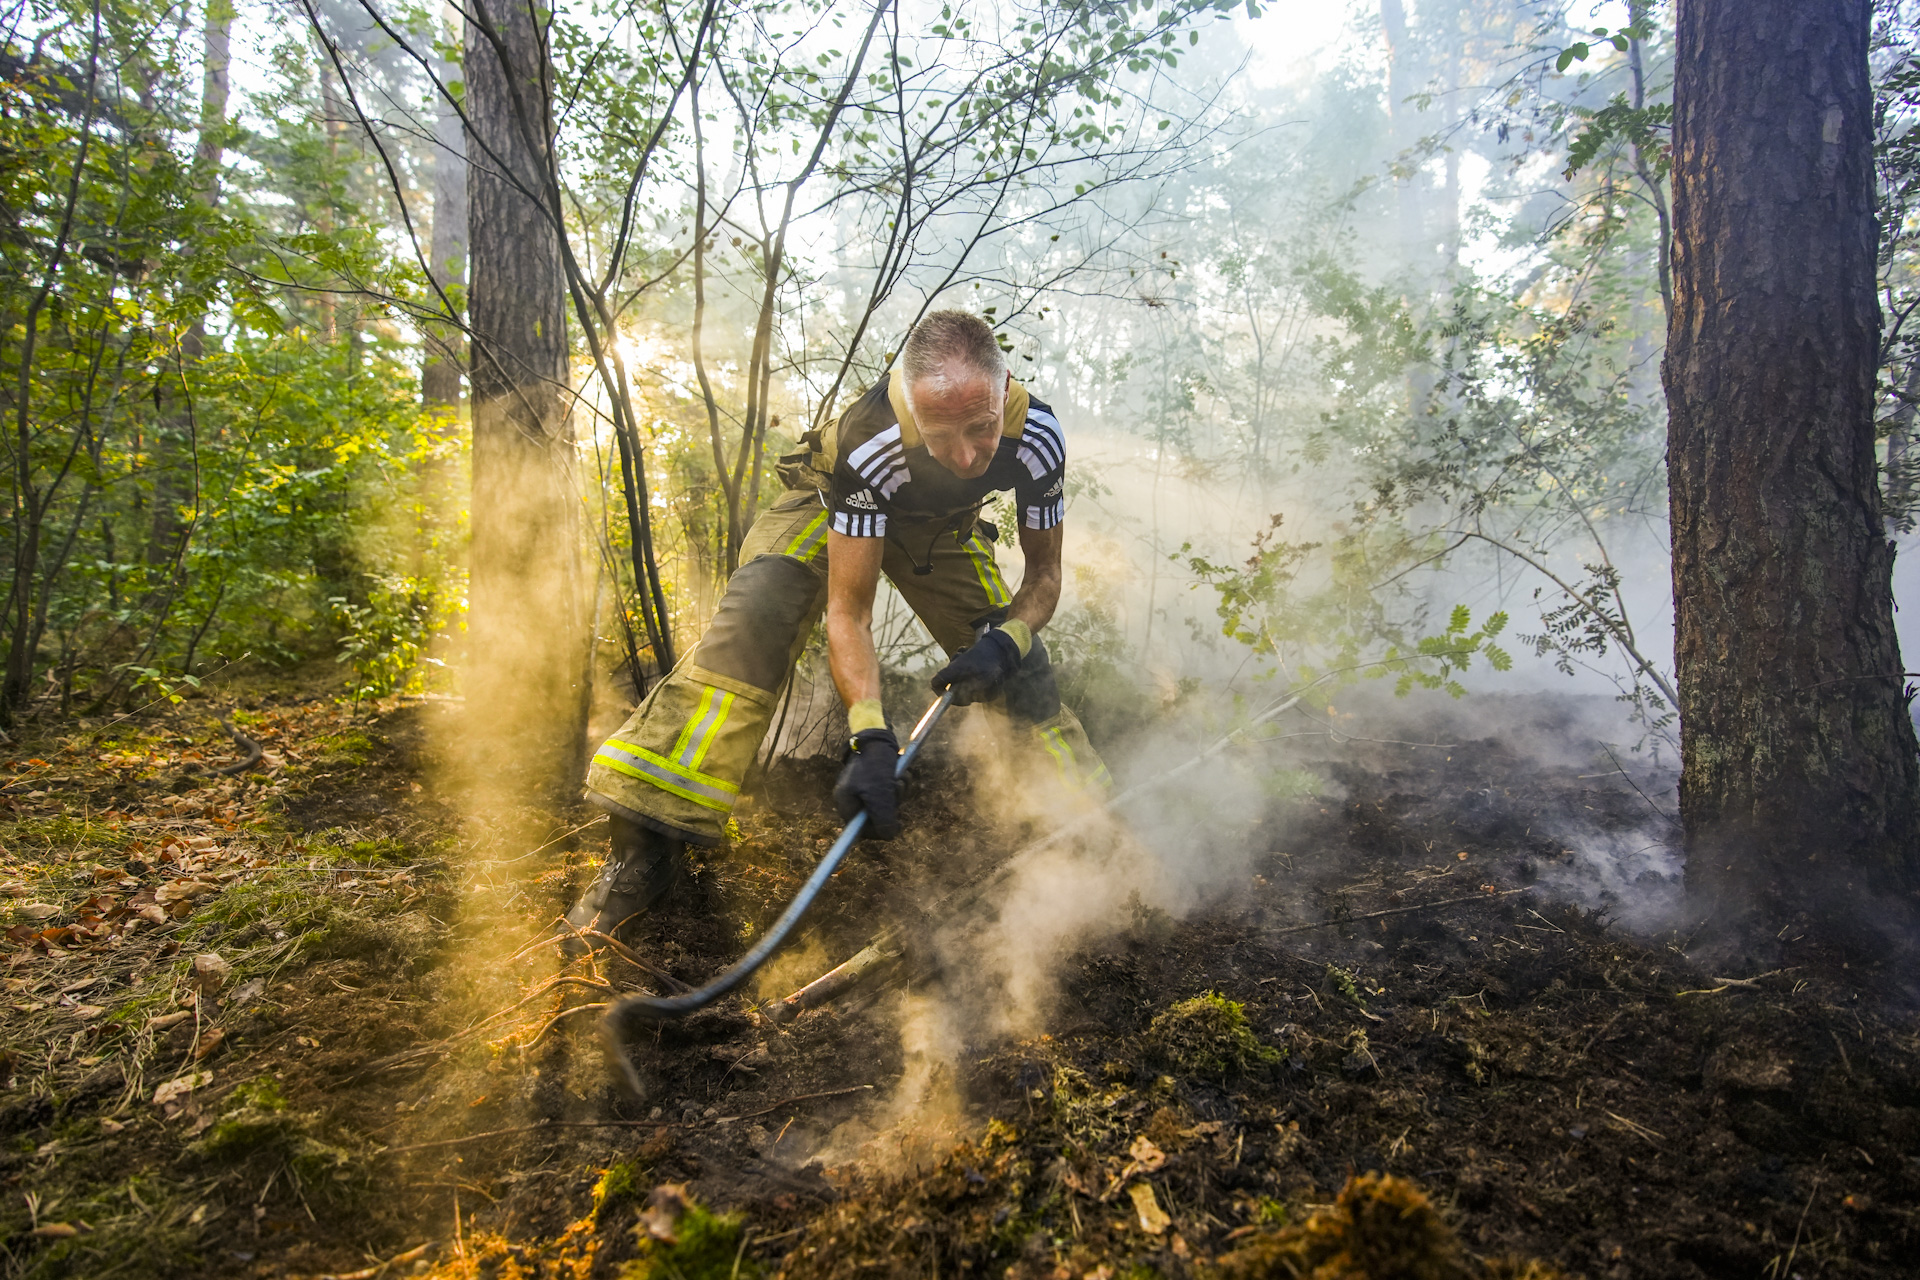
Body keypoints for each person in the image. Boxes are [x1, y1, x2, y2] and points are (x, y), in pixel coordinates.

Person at [566, 310, 1108, 943]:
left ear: (1005, 385)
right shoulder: (869, 438)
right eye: (939, 432)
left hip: (936, 532)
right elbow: (849, 611)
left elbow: (1043, 578)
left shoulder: (1038, 435)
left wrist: (1006, 643)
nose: (965, 457)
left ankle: (1092, 835)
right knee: (762, 610)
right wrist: (870, 736)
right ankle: (646, 847)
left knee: (1023, 668)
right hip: (829, 508)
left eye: (982, 428)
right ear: (908, 403)